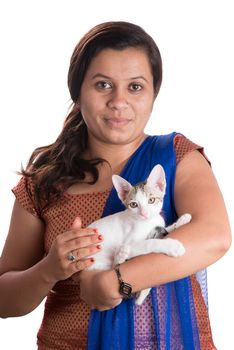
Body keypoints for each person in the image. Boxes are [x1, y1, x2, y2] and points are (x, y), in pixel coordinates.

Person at [0, 21, 231, 350]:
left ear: (153, 94)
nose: (119, 101)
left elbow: (214, 236)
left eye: (135, 87)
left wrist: (117, 281)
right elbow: (4, 301)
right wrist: (48, 270)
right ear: (77, 92)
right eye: (103, 85)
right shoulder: (43, 182)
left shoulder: (174, 157)